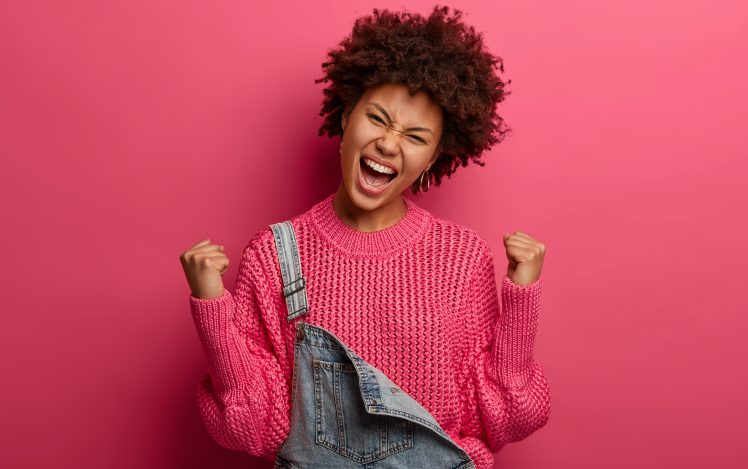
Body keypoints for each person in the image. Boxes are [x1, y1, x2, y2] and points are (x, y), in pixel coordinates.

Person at [179, 5, 550, 468]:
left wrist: (521, 303)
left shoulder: (461, 257)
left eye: (415, 137)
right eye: (377, 119)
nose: (390, 144)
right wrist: (212, 306)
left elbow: (502, 418)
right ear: (346, 118)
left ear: (433, 159)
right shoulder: (276, 253)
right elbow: (251, 428)